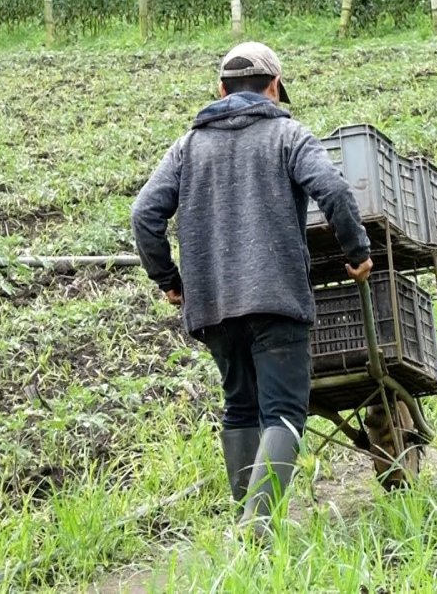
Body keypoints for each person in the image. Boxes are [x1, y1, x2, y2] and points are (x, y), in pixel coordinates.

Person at [130, 41, 373, 539]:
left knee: (240, 405)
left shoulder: (188, 146)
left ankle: (248, 520)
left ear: (221, 90)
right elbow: (333, 191)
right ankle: (258, 523)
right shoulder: (288, 135)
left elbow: (144, 215)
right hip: (276, 299)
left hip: (213, 306)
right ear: (275, 88)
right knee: (283, 410)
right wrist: (357, 253)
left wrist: (170, 282)